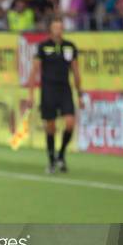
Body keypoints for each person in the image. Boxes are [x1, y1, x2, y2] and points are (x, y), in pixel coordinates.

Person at [28, 17, 82, 174]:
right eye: (55, 27)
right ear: (50, 30)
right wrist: (31, 94)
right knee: (50, 127)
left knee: (70, 123)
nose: (58, 30)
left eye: (60, 27)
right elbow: (35, 71)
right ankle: (51, 160)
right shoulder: (43, 47)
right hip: (48, 90)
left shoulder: (70, 47)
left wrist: (79, 93)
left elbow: (76, 71)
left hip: (65, 89)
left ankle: (61, 154)